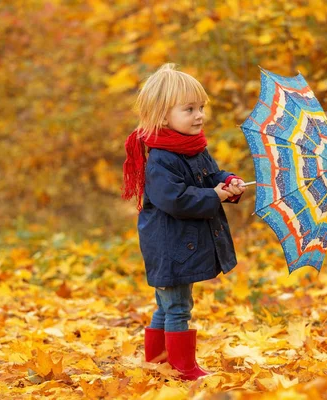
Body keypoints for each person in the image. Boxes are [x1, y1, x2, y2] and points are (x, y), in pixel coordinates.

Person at [121, 63, 246, 380]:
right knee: (177, 307)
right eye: (189, 109)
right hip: (169, 246)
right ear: (163, 117)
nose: (199, 115)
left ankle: (159, 363)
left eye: (201, 107)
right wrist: (213, 196)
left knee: (167, 305)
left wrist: (228, 182)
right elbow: (174, 199)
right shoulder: (161, 158)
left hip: (182, 244)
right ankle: (182, 367)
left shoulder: (194, 148)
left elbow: (211, 176)